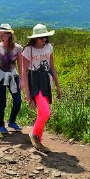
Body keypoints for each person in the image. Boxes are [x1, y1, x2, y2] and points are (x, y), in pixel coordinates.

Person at [21, 23, 62, 152]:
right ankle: (34, 135)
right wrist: (27, 93)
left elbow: (52, 67)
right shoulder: (28, 50)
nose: (43, 40)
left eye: (45, 37)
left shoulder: (49, 47)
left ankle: (38, 140)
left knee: (41, 113)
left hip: (46, 80)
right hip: (34, 81)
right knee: (46, 113)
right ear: (35, 38)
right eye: (41, 38)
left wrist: (58, 86)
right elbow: (24, 71)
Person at [0, 24, 24, 134]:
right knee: (2, 102)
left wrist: (22, 80)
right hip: (0, 75)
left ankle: (12, 121)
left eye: (3, 34)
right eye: (0, 34)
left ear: (9, 35)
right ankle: (1, 124)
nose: (1, 36)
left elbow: (20, 65)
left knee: (17, 101)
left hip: (13, 75)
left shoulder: (18, 48)